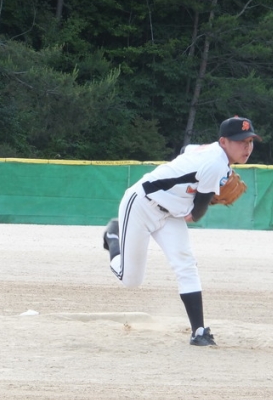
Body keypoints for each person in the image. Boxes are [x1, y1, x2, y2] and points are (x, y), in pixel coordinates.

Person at [102, 116, 261, 346]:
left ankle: (199, 332)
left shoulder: (212, 153)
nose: (247, 147)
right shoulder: (216, 164)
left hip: (170, 214)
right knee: (131, 280)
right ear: (223, 142)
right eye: (240, 141)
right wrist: (194, 212)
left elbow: (186, 150)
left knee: (186, 264)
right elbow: (198, 210)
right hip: (141, 206)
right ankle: (112, 236)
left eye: (250, 141)